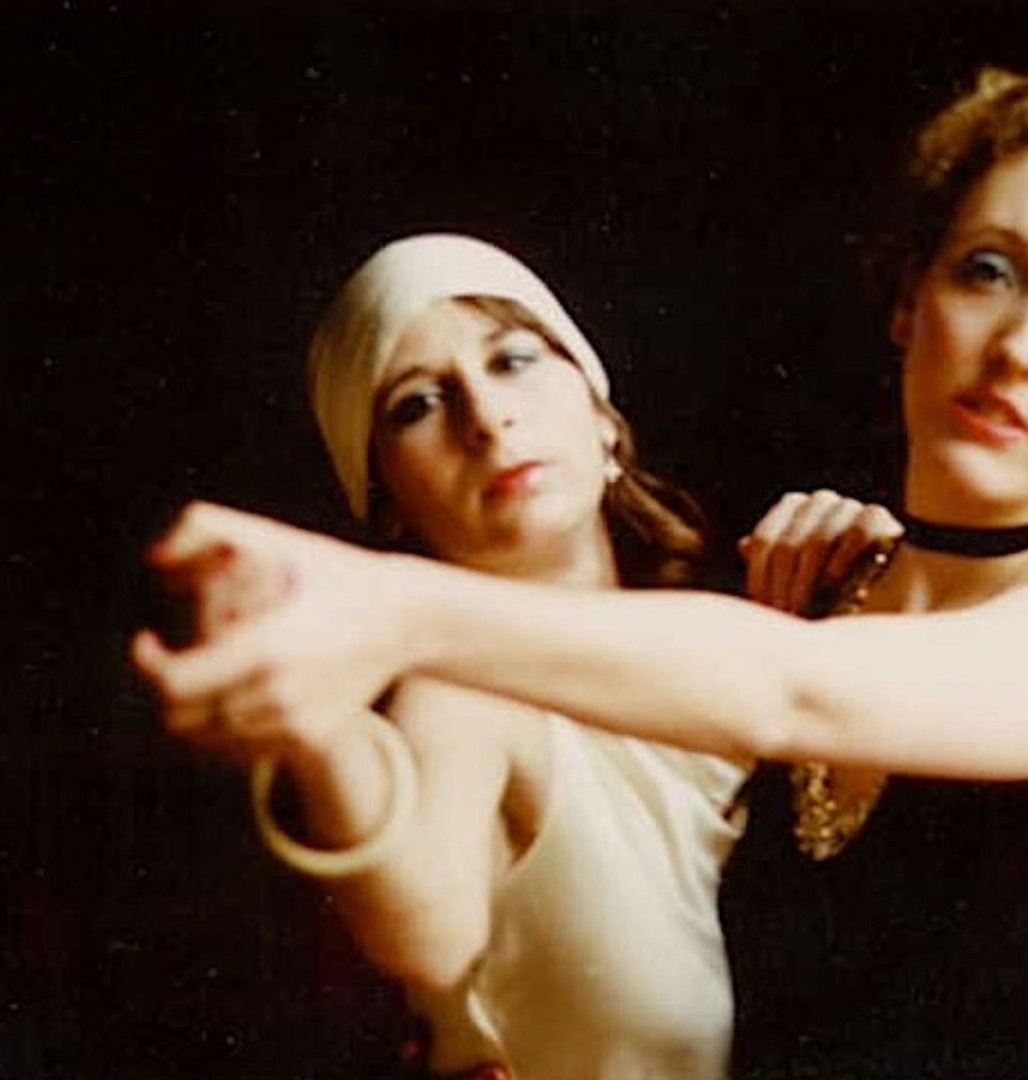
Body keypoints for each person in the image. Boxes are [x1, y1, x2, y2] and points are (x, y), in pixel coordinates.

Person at [136, 66, 1028, 1080]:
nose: (1021, 349)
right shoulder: (827, 588)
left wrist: (387, 603)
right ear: (909, 299)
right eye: (989, 271)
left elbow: (793, 689)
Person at [152, 233, 886, 1080]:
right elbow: (428, 931)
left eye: (512, 361)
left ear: (604, 422)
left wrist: (888, 577)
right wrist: (324, 735)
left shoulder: (751, 625)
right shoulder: (466, 701)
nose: (485, 418)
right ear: (388, 505)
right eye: (418, 405)